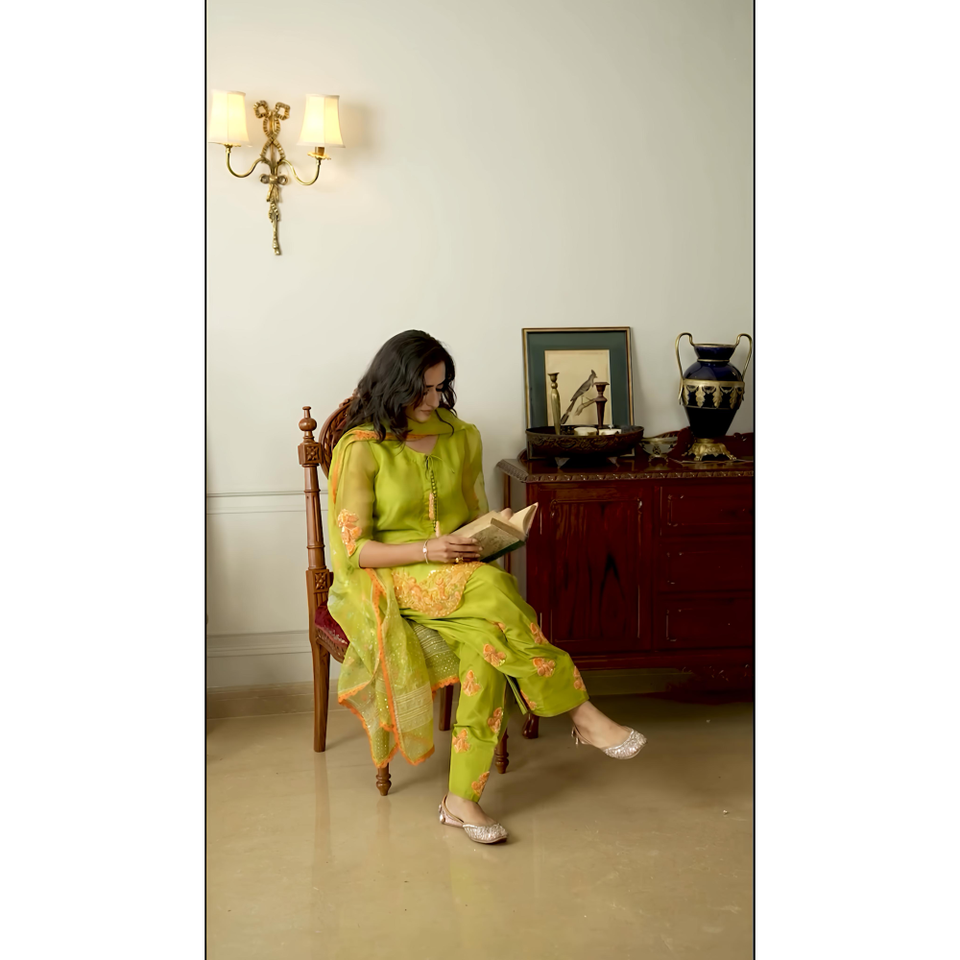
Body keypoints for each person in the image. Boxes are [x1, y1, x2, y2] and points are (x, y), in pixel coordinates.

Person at [327, 330, 646, 844]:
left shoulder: (462, 435)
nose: (434, 401)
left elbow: (473, 519)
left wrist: (497, 529)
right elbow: (354, 550)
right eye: (422, 391)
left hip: (462, 577)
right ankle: (579, 710)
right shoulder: (362, 448)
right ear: (393, 386)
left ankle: (461, 801)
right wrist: (428, 550)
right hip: (389, 576)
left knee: (487, 645)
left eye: (440, 388)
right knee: (494, 588)